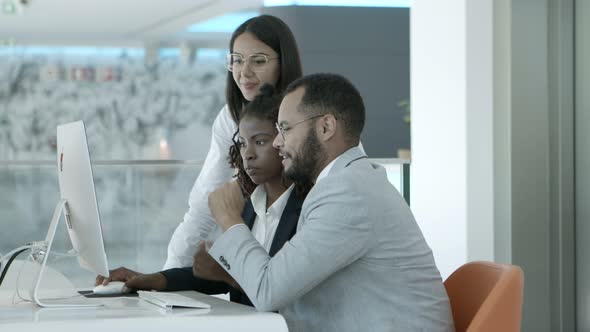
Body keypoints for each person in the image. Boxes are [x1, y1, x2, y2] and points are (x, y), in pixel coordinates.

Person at [207, 73, 455, 331]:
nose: (278, 142)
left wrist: (229, 219)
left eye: (286, 128)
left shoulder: (347, 192)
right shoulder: (348, 182)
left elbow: (268, 290)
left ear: (325, 127)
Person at [96, 87, 310, 307]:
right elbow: (219, 279)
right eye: (243, 143)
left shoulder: (307, 209)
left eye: (261, 142)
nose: (248, 154)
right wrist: (152, 279)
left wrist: (226, 275)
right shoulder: (250, 205)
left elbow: (276, 290)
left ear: (284, 142)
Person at [163, 14, 303, 269]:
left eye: (258, 61)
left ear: (284, 63)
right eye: (236, 61)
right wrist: (167, 274)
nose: (244, 72)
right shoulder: (231, 117)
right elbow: (204, 203)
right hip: (258, 253)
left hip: (302, 246)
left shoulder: (309, 113)